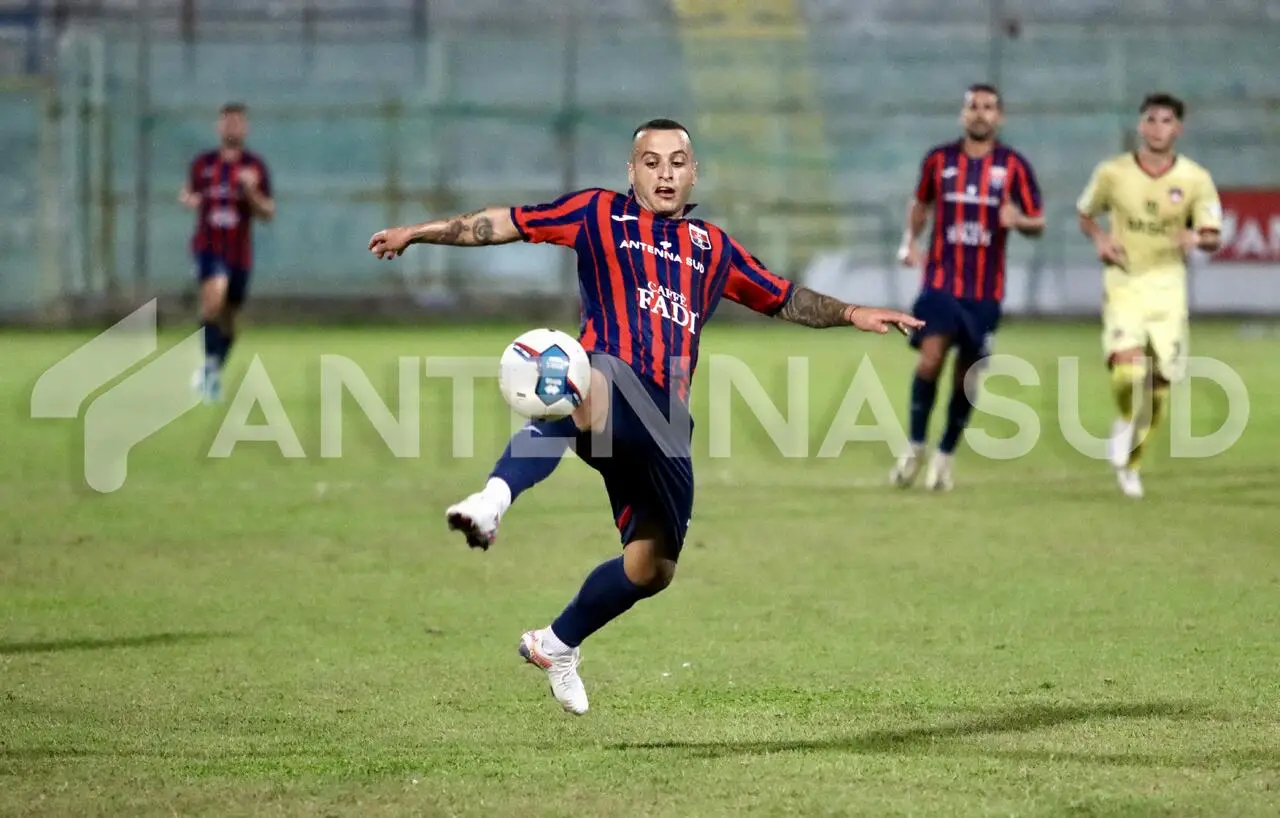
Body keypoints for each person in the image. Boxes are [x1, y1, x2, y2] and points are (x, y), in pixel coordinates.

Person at [368, 118, 923, 715]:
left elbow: (784, 296)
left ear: (693, 172)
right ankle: (492, 499)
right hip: (607, 384)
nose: (664, 173)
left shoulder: (713, 248)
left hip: (665, 428)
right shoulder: (596, 213)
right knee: (581, 380)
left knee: (651, 568)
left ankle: (555, 644)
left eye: (677, 162)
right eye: (651, 161)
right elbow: (501, 222)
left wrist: (853, 311)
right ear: (630, 171)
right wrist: (417, 232)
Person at [892, 84, 1044, 491]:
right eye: (973, 106)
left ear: (1000, 117)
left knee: (967, 376)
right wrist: (910, 243)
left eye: (989, 107)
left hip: (984, 292)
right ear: (963, 115)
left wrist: (1019, 220)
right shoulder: (939, 160)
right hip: (940, 282)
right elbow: (921, 203)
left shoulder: (1014, 166)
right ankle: (915, 446)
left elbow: (1038, 220)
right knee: (930, 360)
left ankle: (944, 455)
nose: (980, 113)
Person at [1076, 93, 1221, 498]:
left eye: (1166, 121)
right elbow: (1085, 212)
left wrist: (1197, 237)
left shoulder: (1196, 179)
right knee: (1127, 373)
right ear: (1141, 126)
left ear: (1178, 129)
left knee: (1158, 388)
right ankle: (1125, 420)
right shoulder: (1113, 173)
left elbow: (1212, 234)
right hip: (1124, 284)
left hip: (1169, 291)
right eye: (1151, 120)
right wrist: (1101, 238)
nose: (1158, 127)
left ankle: (1132, 466)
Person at [180, 102, 274, 404]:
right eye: (227, 122)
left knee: (230, 318)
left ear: (244, 128)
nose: (232, 127)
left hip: (239, 252)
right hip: (208, 246)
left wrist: (251, 193)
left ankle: (212, 370)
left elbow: (268, 212)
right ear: (219, 127)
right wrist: (189, 199)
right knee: (213, 297)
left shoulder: (255, 167)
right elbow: (189, 193)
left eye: (238, 122)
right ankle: (208, 367)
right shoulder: (203, 164)